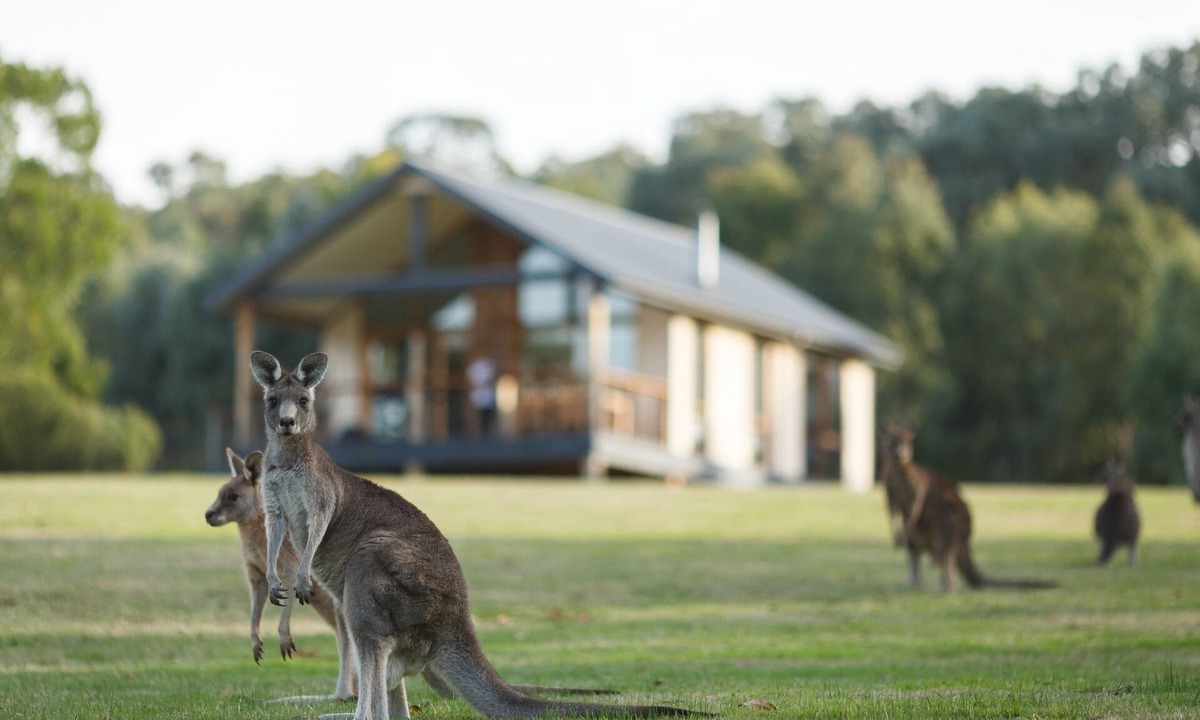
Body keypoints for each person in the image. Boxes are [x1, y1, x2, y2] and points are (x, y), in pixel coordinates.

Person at [466, 356, 498, 437]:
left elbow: (491, 377)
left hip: (487, 393)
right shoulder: (474, 366)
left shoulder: (489, 364)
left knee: (487, 413)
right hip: (478, 392)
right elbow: (472, 378)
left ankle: (487, 431)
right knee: (478, 413)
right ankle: (476, 431)